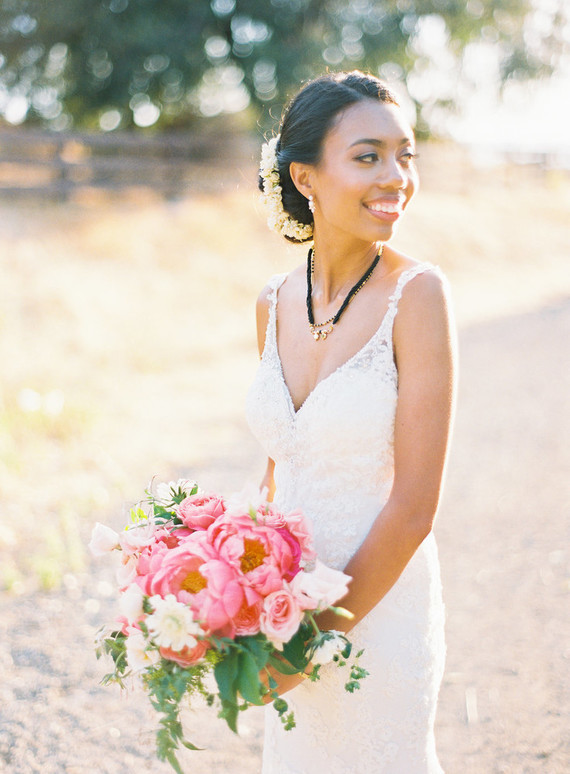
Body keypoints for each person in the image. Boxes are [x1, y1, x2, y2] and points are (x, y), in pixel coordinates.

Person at [245, 70, 456, 774]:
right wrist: (232, 592)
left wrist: (315, 644)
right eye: (368, 156)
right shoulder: (271, 304)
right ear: (305, 177)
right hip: (285, 610)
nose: (395, 176)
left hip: (378, 610)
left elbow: (414, 507)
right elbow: (279, 471)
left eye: (406, 155)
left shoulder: (418, 296)